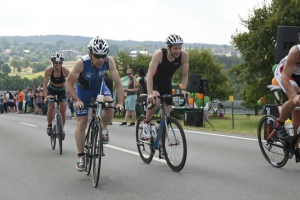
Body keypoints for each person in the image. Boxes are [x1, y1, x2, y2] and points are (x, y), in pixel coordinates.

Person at [65, 36, 124, 172]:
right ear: (90, 54)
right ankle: (80, 157)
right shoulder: (81, 63)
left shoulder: (109, 62)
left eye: (103, 56)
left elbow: (119, 83)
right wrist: (77, 100)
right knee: (82, 124)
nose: (100, 59)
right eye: (97, 56)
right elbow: (68, 83)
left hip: (99, 88)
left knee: (109, 104)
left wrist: (120, 102)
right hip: (83, 92)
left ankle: (103, 128)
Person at [142, 34, 189, 159]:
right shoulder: (159, 54)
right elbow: (150, 75)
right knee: (156, 102)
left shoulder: (184, 56)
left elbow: (184, 76)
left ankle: (162, 147)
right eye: (175, 48)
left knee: (166, 118)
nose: (178, 51)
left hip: (167, 82)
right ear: (168, 48)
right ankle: (146, 122)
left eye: (179, 48)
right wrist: (150, 94)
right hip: (155, 81)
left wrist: (183, 89)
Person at [274, 44, 300, 154]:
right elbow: (285, 77)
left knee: (298, 113)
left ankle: (294, 143)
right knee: (295, 99)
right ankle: (279, 123)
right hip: (284, 73)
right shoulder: (296, 52)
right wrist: (294, 96)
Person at [43, 53, 70, 137]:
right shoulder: (49, 70)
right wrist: (45, 97)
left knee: (63, 110)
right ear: (52, 63)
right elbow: (44, 84)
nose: (58, 64)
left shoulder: (65, 71)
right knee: (51, 107)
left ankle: (61, 129)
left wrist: (70, 96)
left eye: (60, 63)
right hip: (52, 89)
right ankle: (49, 126)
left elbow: (70, 83)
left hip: (62, 89)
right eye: (56, 62)